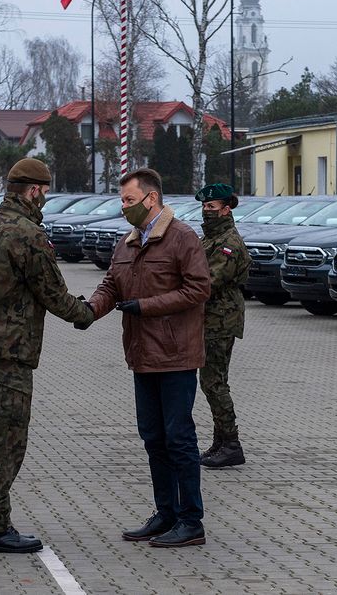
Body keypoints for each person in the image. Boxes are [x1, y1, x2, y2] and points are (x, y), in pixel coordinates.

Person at [0, 158, 95, 554]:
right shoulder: (28, 234)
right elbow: (51, 291)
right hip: (10, 353)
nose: (45, 198)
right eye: (45, 191)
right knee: (7, 438)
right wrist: (85, 314)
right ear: (34, 190)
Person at [87, 168, 211, 548]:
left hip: (175, 354)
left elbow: (199, 289)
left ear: (151, 199)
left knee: (179, 439)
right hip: (142, 354)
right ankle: (166, 514)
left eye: (129, 200)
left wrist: (146, 307)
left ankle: (191, 520)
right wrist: (88, 311)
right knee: (153, 438)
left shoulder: (182, 238)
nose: (123, 207)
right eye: (122, 201)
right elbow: (111, 284)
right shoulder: (128, 242)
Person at [195, 183, 251, 468]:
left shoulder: (228, 243)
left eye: (212, 208)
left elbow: (209, 280)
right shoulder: (211, 239)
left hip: (221, 319)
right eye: (204, 207)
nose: (206, 212)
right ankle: (220, 442)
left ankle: (231, 444)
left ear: (226, 209)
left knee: (214, 383)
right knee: (212, 382)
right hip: (210, 318)